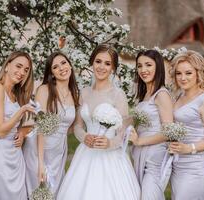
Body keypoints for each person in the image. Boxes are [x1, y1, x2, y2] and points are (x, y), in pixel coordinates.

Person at [57, 44, 140, 200]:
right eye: (98, 61)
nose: (102, 67)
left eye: (107, 63)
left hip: (110, 155)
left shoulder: (118, 95)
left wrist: (110, 143)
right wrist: (84, 137)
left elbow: (123, 132)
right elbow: (78, 126)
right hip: (86, 152)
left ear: (113, 69)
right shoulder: (85, 92)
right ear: (92, 63)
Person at [23, 52, 79, 197]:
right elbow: (41, 127)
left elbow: (72, 125)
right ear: (52, 73)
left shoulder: (74, 93)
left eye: (64, 63)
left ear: (70, 65)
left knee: (55, 193)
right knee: (39, 192)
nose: (61, 68)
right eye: (55, 67)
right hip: (39, 149)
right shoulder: (44, 90)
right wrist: (40, 163)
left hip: (59, 151)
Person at [0, 51, 35, 200]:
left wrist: (21, 134)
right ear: (7, 66)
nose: (22, 72)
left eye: (26, 70)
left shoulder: (15, 94)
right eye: (18, 66)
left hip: (15, 157)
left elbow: (13, 125)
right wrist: (23, 110)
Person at [169, 50, 204, 199]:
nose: (182, 78)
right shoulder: (179, 97)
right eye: (178, 73)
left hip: (197, 165)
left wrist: (189, 148)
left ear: (198, 73)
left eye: (188, 73)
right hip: (178, 164)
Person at [129, 49, 173, 200]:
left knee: (149, 195)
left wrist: (140, 141)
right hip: (140, 152)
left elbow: (168, 132)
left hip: (155, 156)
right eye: (139, 66)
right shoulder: (144, 95)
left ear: (158, 67)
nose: (143, 70)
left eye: (148, 65)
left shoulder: (161, 95)